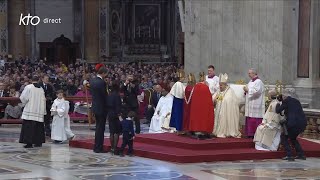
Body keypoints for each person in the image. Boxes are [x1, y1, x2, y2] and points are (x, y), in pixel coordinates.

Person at [276, 89, 307, 161]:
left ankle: (289, 155)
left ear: (284, 96)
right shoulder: (296, 101)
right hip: (302, 123)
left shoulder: (286, 101)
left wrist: (278, 103)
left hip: (293, 123)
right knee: (293, 138)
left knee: (283, 137)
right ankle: (301, 154)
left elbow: (278, 110)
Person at [19, 76, 46, 148]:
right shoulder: (41, 89)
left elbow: (23, 98)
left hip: (30, 110)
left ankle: (29, 143)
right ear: (38, 80)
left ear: (31, 80)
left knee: (29, 127)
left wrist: (23, 104)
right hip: (39, 111)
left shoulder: (29, 87)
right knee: (38, 127)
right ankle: (38, 142)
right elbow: (44, 100)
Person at [186, 72, 214, 138]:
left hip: (196, 108)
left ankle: (196, 130)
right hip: (204, 108)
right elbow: (209, 99)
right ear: (204, 78)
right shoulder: (205, 87)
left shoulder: (195, 87)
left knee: (197, 117)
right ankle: (203, 130)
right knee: (203, 118)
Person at [212, 73, 241, 138]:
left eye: (221, 85)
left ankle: (225, 131)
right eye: (219, 85)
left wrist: (221, 100)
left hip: (226, 112)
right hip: (218, 111)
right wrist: (214, 99)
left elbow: (229, 100)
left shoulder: (230, 91)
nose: (220, 86)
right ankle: (217, 131)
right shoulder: (219, 90)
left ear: (225, 85)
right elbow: (214, 97)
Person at [90, 67, 108, 153]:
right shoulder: (102, 82)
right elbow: (104, 96)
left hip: (95, 107)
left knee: (98, 128)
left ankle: (96, 147)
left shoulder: (92, 81)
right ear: (103, 73)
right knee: (101, 129)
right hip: (102, 108)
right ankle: (98, 148)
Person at [243, 68, 265, 138]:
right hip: (250, 103)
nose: (248, 75)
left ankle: (254, 134)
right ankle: (249, 133)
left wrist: (248, 90)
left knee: (254, 119)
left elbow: (257, 92)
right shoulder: (250, 81)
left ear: (254, 73)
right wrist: (245, 90)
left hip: (256, 103)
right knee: (250, 118)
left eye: (249, 73)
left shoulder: (259, 82)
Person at [106, 82, 122, 155]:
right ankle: (115, 148)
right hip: (115, 114)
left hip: (110, 114)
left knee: (111, 132)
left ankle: (112, 148)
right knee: (117, 132)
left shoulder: (109, 95)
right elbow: (118, 106)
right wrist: (119, 115)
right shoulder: (117, 95)